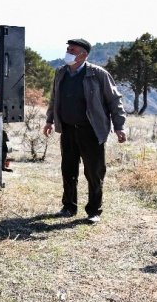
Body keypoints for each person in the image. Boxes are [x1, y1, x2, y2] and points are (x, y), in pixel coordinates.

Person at [42, 38, 127, 223]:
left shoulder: (98, 74)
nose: (68, 52)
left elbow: (115, 100)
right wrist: (49, 120)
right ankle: (68, 207)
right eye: (68, 49)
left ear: (84, 55)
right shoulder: (61, 72)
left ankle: (94, 210)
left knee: (94, 172)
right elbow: (54, 98)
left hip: (91, 131)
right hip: (68, 130)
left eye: (73, 50)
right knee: (68, 170)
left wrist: (119, 126)